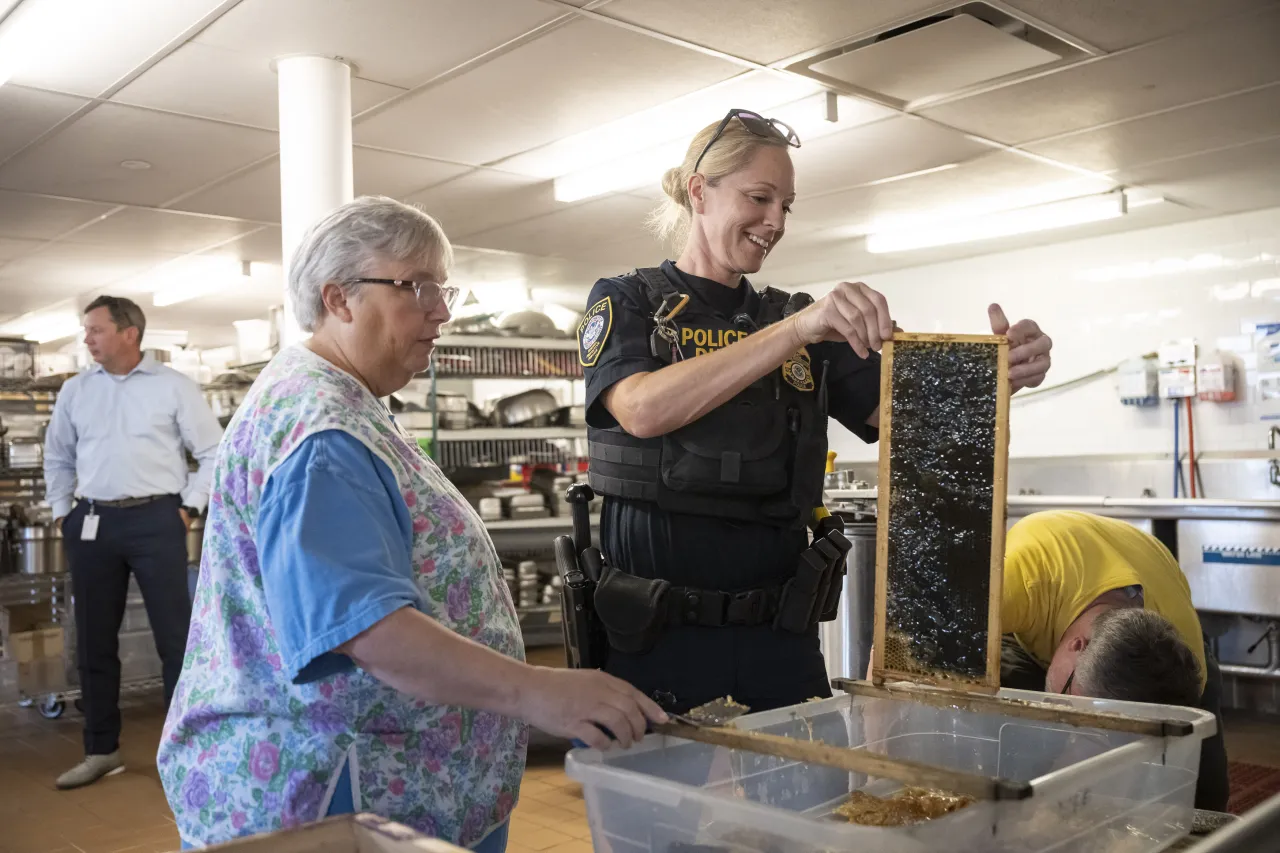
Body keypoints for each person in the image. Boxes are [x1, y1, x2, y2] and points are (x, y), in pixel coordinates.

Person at [157, 196, 666, 851]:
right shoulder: (322, 434)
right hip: (332, 788)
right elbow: (368, 630)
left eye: (443, 287)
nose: (442, 310)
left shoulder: (343, 401)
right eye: (416, 286)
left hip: (380, 774)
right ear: (338, 297)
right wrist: (540, 691)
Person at [578, 109, 1053, 715]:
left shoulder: (798, 319)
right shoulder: (627, 300)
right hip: (655, 637)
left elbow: (905, 423)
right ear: (700, 191)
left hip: (780, 637)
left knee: (810, 805)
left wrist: (999, 379)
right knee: (660, 807)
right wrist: (799, 329)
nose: (775, 221)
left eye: (787, 205)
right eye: (759, 197)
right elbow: (642, 409)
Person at [43, 295, 222, 790]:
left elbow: (213, 452)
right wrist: (64, 515)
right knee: (94, 642)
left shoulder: (174, 387)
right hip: (93, 522)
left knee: (175, 641)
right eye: (86, 330)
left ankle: (186, 751)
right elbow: (57, 457)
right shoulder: (75, 391)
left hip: (157, 520)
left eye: (95, 330)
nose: (87, 339)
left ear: (129, 333)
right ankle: (102, 750)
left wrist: (189, 506)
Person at [999, 510, 1229, 810]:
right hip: (1035, 596)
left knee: (1198, 773)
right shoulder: (1016, 587)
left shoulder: (1182, 652)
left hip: (1139, 571)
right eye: (1074, 701)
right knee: (1019, 725)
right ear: (1076, 645)